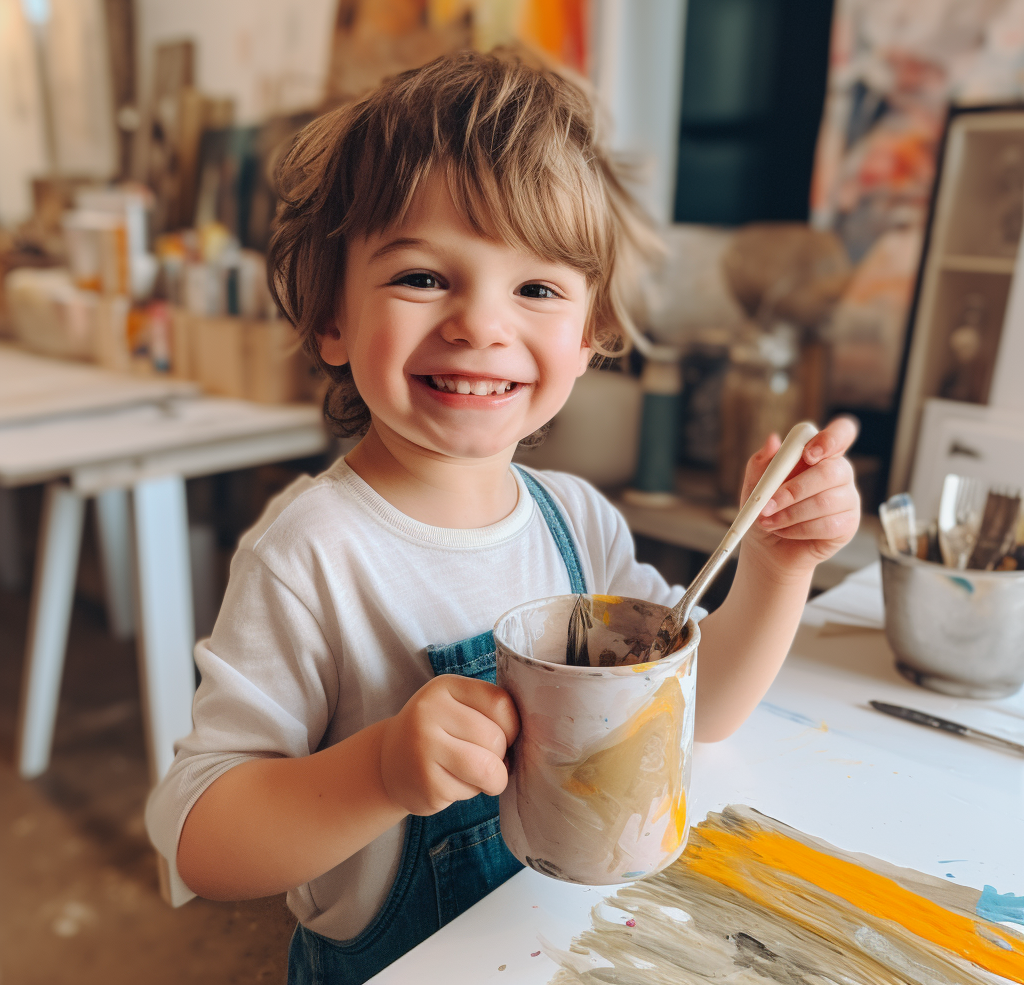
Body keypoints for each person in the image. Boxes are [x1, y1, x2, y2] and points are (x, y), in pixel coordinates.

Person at [145, 50, 860, 984]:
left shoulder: (580, 525)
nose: (482, 324)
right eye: (421, 278)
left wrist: (777, 566)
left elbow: (701, 714)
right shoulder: (311, 555)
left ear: (592, 333)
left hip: (566, 945)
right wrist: (380, 773)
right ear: (329, 316)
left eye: (537, 289)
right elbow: (199, 838)